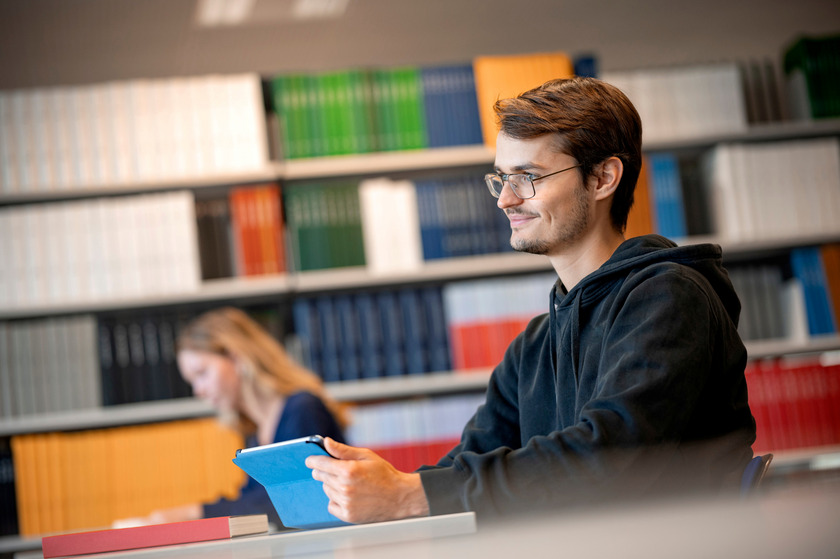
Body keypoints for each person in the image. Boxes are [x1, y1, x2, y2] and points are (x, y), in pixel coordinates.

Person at [306, 76, 756, 523]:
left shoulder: (670, 297)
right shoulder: (536, 343)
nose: (505, 199)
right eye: (502, 178)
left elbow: (611, 455)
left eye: (528, 177)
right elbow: (467, 465)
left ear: (602, 178)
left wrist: (412, 496)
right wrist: (386, 488)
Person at [136, 306, 348, 527]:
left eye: (202, 374)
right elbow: (250, 499)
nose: (198, 391)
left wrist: (192, 512)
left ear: (236, 358)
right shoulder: (256, 429)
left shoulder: (302, 408)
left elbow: (287, 501)